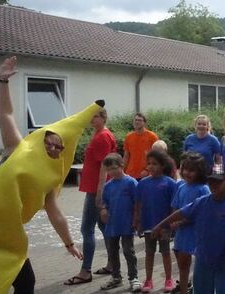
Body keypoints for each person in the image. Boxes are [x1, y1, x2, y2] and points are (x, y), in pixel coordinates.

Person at [0, 57, 91, 293]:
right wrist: (3, 80)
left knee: (26, 282)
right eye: (51, 143)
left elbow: (56, 215)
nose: (54, 148)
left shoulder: (50, 180)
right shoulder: (16, 149)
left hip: (6, 239)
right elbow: (6, 114)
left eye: (59, 147)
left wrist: (69, 243)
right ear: (41, 139)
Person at [152, 166, 225, 294]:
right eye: (211, 182)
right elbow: (181, 213)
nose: (214, 185)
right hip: (203, 257)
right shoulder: (201, 202)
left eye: (219, 182)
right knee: (201, 289)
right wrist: (160, 225)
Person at [69, 94, 117, 285]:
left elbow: (106, 166)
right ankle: (112, 264)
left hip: (96, 190)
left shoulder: (103, 136)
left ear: (103, 118)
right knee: (104, 227)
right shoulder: (99, 134)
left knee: (86, 229)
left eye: (95, 116)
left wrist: (99, 194)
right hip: (95, 188)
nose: (91, 119)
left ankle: (85, 271)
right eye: (91, 116)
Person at [136, 150, 179, 292]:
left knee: (166, 252)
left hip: (165, 226)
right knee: (149, 253)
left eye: (154, 164)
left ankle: (168, 279)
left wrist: (172, 223)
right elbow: (139, 204)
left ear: (162, 165)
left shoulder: (171, 183)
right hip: (148, 225)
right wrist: (138, 222)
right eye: (148, 163)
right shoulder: (142, 183)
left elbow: (174, 205)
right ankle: (148, 280)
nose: (151, 166)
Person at [98, 153, 141, 292]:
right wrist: (104, 209)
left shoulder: (131, 182)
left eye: (114, 168)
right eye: (109, 169)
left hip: (127, 223)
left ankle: (133, 277)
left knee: (129, 251)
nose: (112, 172)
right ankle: (116, 277)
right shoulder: (108, 185)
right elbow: (105, 202)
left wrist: (136, 219)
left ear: (122, 165)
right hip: (112, 224)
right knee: (112, 251)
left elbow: (137, 202)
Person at [170, 153, 210, 293]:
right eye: (185, 169)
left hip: (197, 231)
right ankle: (184, 287)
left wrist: (181, 221)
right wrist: (174, 221)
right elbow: (175, 206)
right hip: (182, 232)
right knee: (182, 263)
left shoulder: (203, 189)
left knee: (200, 264)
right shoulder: (181, 187)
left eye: (192, 170)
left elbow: (203, 211)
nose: (187, 173)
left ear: (200, 171)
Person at [123, 113, 159, 180]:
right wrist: (122, 170)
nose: (137, 122)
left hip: (146, 174)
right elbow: (126, 156)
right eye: (135, 120)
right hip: (130, 174)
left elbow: (156, 156)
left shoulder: (152, 136)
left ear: (144, 123)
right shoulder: (128, 137)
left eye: (139, 120)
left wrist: (147, 170)